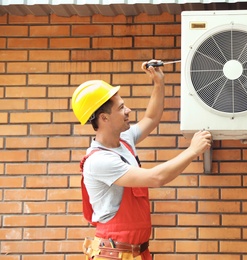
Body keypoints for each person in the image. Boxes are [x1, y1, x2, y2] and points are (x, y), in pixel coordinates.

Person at [71, 60, 212, 260]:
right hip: (114, 255)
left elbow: (152, 117)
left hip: (136, 252)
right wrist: (192, 150)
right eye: (121, 108)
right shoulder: (100, 161)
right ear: (104, 118)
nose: (128, 110)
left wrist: (158, 83)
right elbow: (156, 178)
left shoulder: (124, 139)